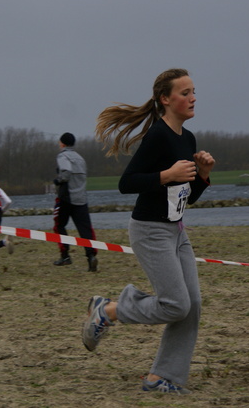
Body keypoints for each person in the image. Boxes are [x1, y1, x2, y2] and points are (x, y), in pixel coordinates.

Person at [82, 68, 216, 395]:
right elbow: (127, 184)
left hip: (176, 230)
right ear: (165, 100)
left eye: (193, 91)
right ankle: (108, 310)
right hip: (149, 231)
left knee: (191, 305)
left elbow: (185, 198)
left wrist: (203, 175)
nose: (193, 97)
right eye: (184, 93)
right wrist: (166, 174)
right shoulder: (157, 136)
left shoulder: (188, 138)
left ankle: (161, 378)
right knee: (175, 304)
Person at [52, 132, 99, 271]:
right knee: (85, 230)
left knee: (58, 225)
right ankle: (91, 256)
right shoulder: (80, 158)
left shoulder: (62, 155)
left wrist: (59, 180)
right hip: (81, 199)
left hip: (66, 198)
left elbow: (66, 171)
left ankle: (65, 256)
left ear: (62, 144)